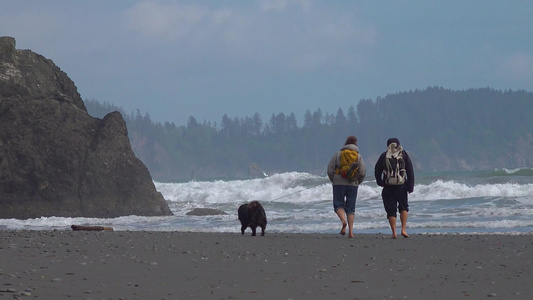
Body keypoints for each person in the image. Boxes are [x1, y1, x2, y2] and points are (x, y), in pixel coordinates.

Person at [374, 138, 414, 239]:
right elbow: (410, 171)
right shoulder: (403, 155)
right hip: (401, 186)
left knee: (391, 211)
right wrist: (410, 186)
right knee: (404, 207)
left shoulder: (384, 156)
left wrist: (380, 182)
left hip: (388, 187)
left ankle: (394, 233)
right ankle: (403, 229)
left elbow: (377, 169)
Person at [327, 136, 366, 238]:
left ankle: (343, 221)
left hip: (338, 183)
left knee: (338, 205)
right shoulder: (358, 156)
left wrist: (334, 179)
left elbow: (330, 169)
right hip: (352, 184)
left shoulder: (338, 154)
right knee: (351, 208)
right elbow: (362, 172)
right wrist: (357, 181)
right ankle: (351, 232)